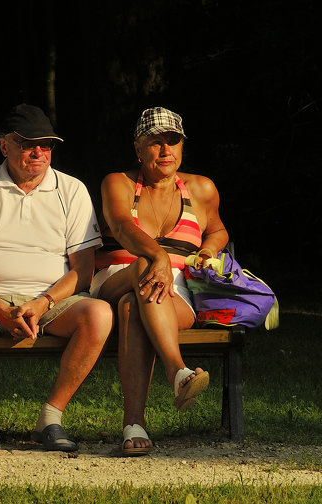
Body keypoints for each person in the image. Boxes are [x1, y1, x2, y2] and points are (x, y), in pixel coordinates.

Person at [0, 104, 113, 453]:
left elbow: (83, 269)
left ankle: (50, 419)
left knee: (100, 314)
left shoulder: (72, 189)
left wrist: (43, 301)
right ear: (4, 146)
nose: (38, 152)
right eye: (27, 143)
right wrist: (0, 308)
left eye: (46, 145)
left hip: (52, 301)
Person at [92, 107, 229, 456]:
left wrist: (209, 249)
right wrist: (159, 257)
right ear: (138, 149)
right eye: (156, 143)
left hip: (174, 293)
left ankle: (134, 424)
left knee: (134, 306)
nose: (166, 150)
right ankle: (175, 370)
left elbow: (215, 229)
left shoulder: (201, 188)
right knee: (142, 269)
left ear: (182, 147)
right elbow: (122, 226)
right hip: (114, 279)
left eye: (173, 141)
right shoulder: (117, 182)